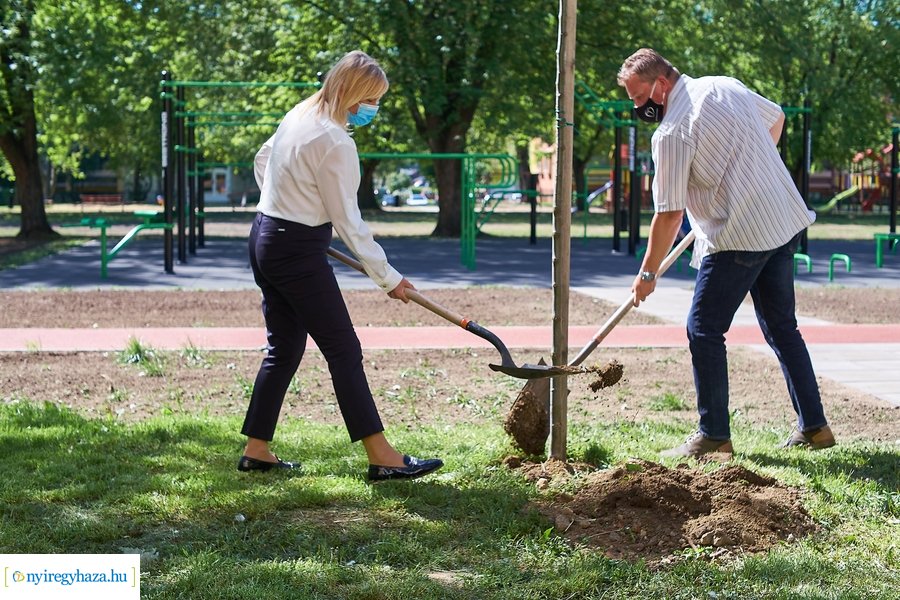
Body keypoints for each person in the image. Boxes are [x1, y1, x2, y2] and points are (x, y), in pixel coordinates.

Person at [616, 48, 835, 458]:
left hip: (739, 235)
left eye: (640, 97)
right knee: (782, 328)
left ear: (660, 85)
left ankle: (714, 436)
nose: (638, 107)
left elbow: (669, 214)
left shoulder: (672, 132)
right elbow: (776, 118)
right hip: (781, 219)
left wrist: (647, 274)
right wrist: (747, 171)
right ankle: (815, 427)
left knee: (703, 329)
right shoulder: (723, 86)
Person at [238, 50, 443, 481]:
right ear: (353, 94)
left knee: (284, 348)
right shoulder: (336, 143)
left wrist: (283, 202)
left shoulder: (301, 113)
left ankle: (256, 449)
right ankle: (382, 457)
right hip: (295, 251)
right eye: (373, 99)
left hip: (265, 236)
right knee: (343, 350)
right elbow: (349, 222)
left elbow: (262, 158)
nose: (375, 108)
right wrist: (388, 278)